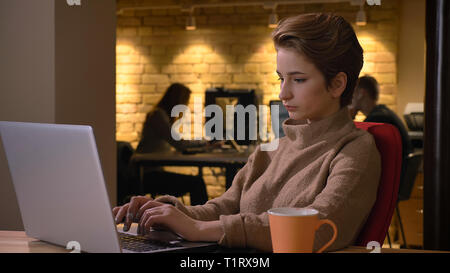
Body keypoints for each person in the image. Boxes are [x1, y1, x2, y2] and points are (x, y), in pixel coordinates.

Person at [113, 13, 381, 252]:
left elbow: (319, 228)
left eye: (298, 79)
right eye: (281, 78)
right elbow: (223, 208)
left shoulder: (356, 150)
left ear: (337, 84)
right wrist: (167, 212)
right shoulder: (271, 150)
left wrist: (199, 230)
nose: (283, 93)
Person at [126, 83, 213, 206]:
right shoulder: (158, 116)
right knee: (196, 182)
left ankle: (197, 219)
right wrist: (205, 142)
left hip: (149, 172)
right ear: (177, 100)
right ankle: (199, 220)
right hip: (145, 176)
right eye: (185, 101)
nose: (186, 106)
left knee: (195, 182)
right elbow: (179, 144)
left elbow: (177, 143)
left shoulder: (161, 115)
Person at [349, 75, 413, 183]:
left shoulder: (377, 120)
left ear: (361, 93)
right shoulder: (383, 113)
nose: (350, 97)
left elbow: (358, 150)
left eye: (353, 93)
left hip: (389, 181)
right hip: (395, 178)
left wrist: (347, 117)